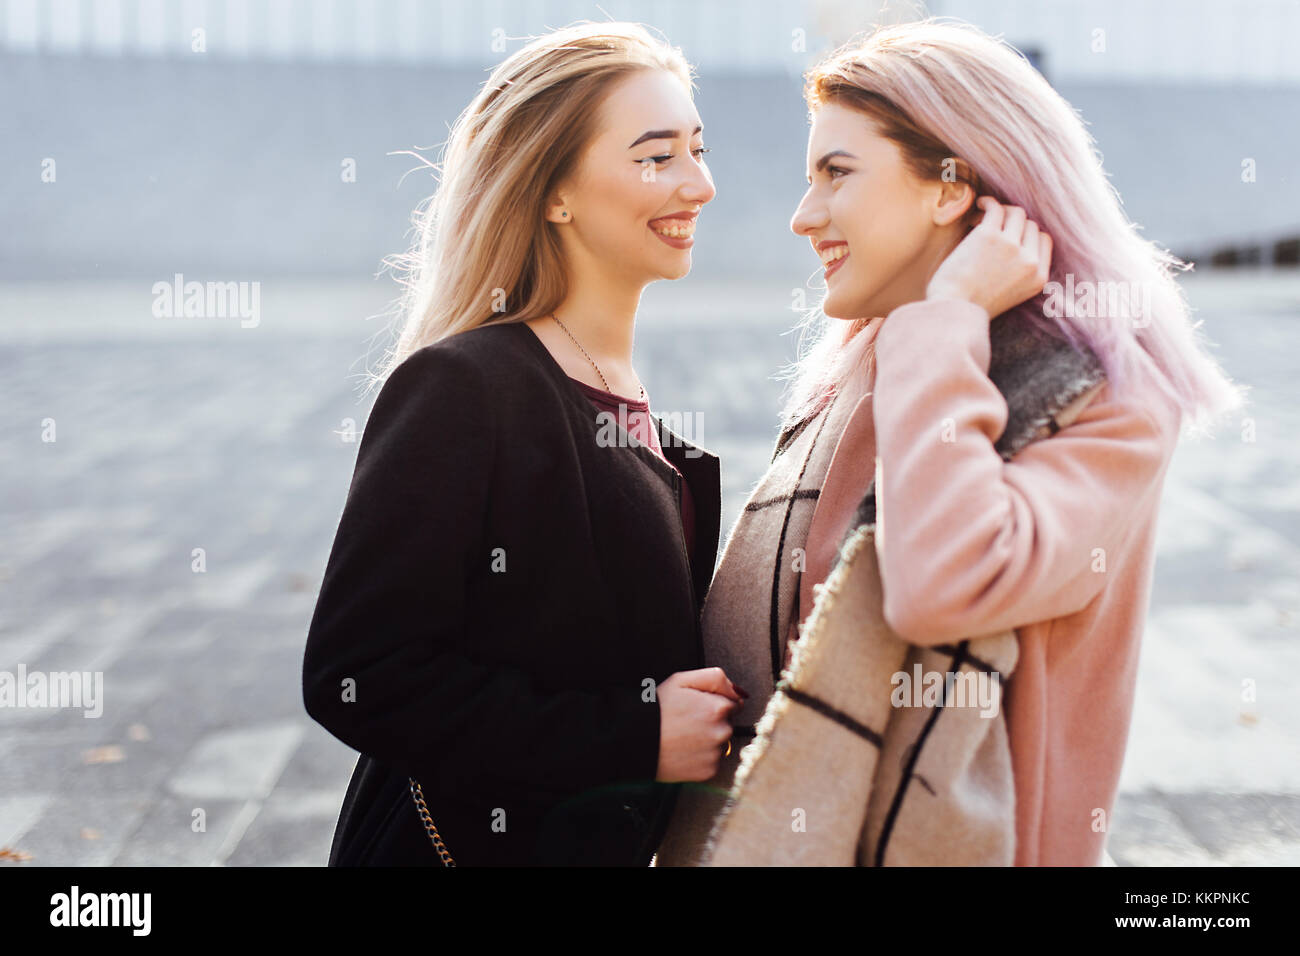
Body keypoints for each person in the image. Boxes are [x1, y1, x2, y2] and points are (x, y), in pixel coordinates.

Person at [654, 18, 1245, 867]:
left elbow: (943, 583)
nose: (801, 215)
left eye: (836, 174)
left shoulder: (1107, 403)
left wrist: (950, 321)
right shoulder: (872, 367)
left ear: (949, 187)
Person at [302, 21, 743, 867]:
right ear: (554, 192)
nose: (700, 184)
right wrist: (632, 738)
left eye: (697, 148)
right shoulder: (467, 386)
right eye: (657, 157)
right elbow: (358, 675)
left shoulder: (629, 403)